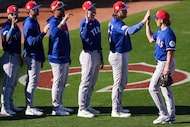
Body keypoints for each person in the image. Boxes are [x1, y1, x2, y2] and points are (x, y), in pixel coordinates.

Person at [108, 1, 150, 118]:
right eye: (123, 9)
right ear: (117, 12)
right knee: (118, 83)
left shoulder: (116, 22)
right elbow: (131, 31)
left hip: (120, 54)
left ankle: (119, 106)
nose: (126, 11)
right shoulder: (117, 24)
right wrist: (143, 21)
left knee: (123, 82)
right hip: (118, 55)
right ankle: (115, 110)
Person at [145, 10, 176, 124]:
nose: (155, 20)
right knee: (166, 90)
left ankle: (163, 113)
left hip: (165, 63)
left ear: (162, 20)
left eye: (156, 18)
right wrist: (147, 25)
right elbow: (150, 39)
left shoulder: (168, 33)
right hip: (162, 63)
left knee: (152, 88)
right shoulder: (160, 31)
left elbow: (170, 52)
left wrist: (166, 69)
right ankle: (171, 117)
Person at [77, 1, 104, 118]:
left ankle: (87, 105)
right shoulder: (84, 23)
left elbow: (98, 40)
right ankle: (81, 108)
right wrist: (87, 22)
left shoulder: (97, 22)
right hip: (88, 55)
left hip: (96, 54)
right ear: (86, 11)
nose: (93, 10)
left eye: (93, 8)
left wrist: (101, 56)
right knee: (85, 82)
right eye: (90, 9)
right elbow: (83, 37)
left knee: (92, 83)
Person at [47, 0, 73, 116]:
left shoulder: (61, 22)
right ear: (54, 11)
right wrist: (63, 21)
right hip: (56, 57)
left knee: (63, 82)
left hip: (64, 56)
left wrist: (68, 55)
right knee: (57, 82)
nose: (63, 10)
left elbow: (66, 39)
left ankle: (60, 104)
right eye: (60, 9)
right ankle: (55, 108)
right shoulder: (53, 21)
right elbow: (53, 33)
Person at [23, 0, 49, 116]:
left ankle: (29, 105)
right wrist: (43, 33)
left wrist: (41, 57)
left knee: (31, 81)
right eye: (35, 9)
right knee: (32, 82)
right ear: (30, 11)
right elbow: (31, 42)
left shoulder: (33, 21)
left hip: (36, 56)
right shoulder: (29, 23)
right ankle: (29, 107)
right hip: (32, 56)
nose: (37, 10)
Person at [0, 5, 23, 116]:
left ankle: (10, 104)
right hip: (9, 56)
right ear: (8, 15)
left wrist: (19, 56)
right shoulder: (6, 26)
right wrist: (12, 27)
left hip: (15, 56)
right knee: (8, 84)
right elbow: (6, 39)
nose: (15, 15)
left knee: (13, 83)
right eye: (13, 14)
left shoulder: (15, 26)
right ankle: (4, 107)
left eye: (16, 13)